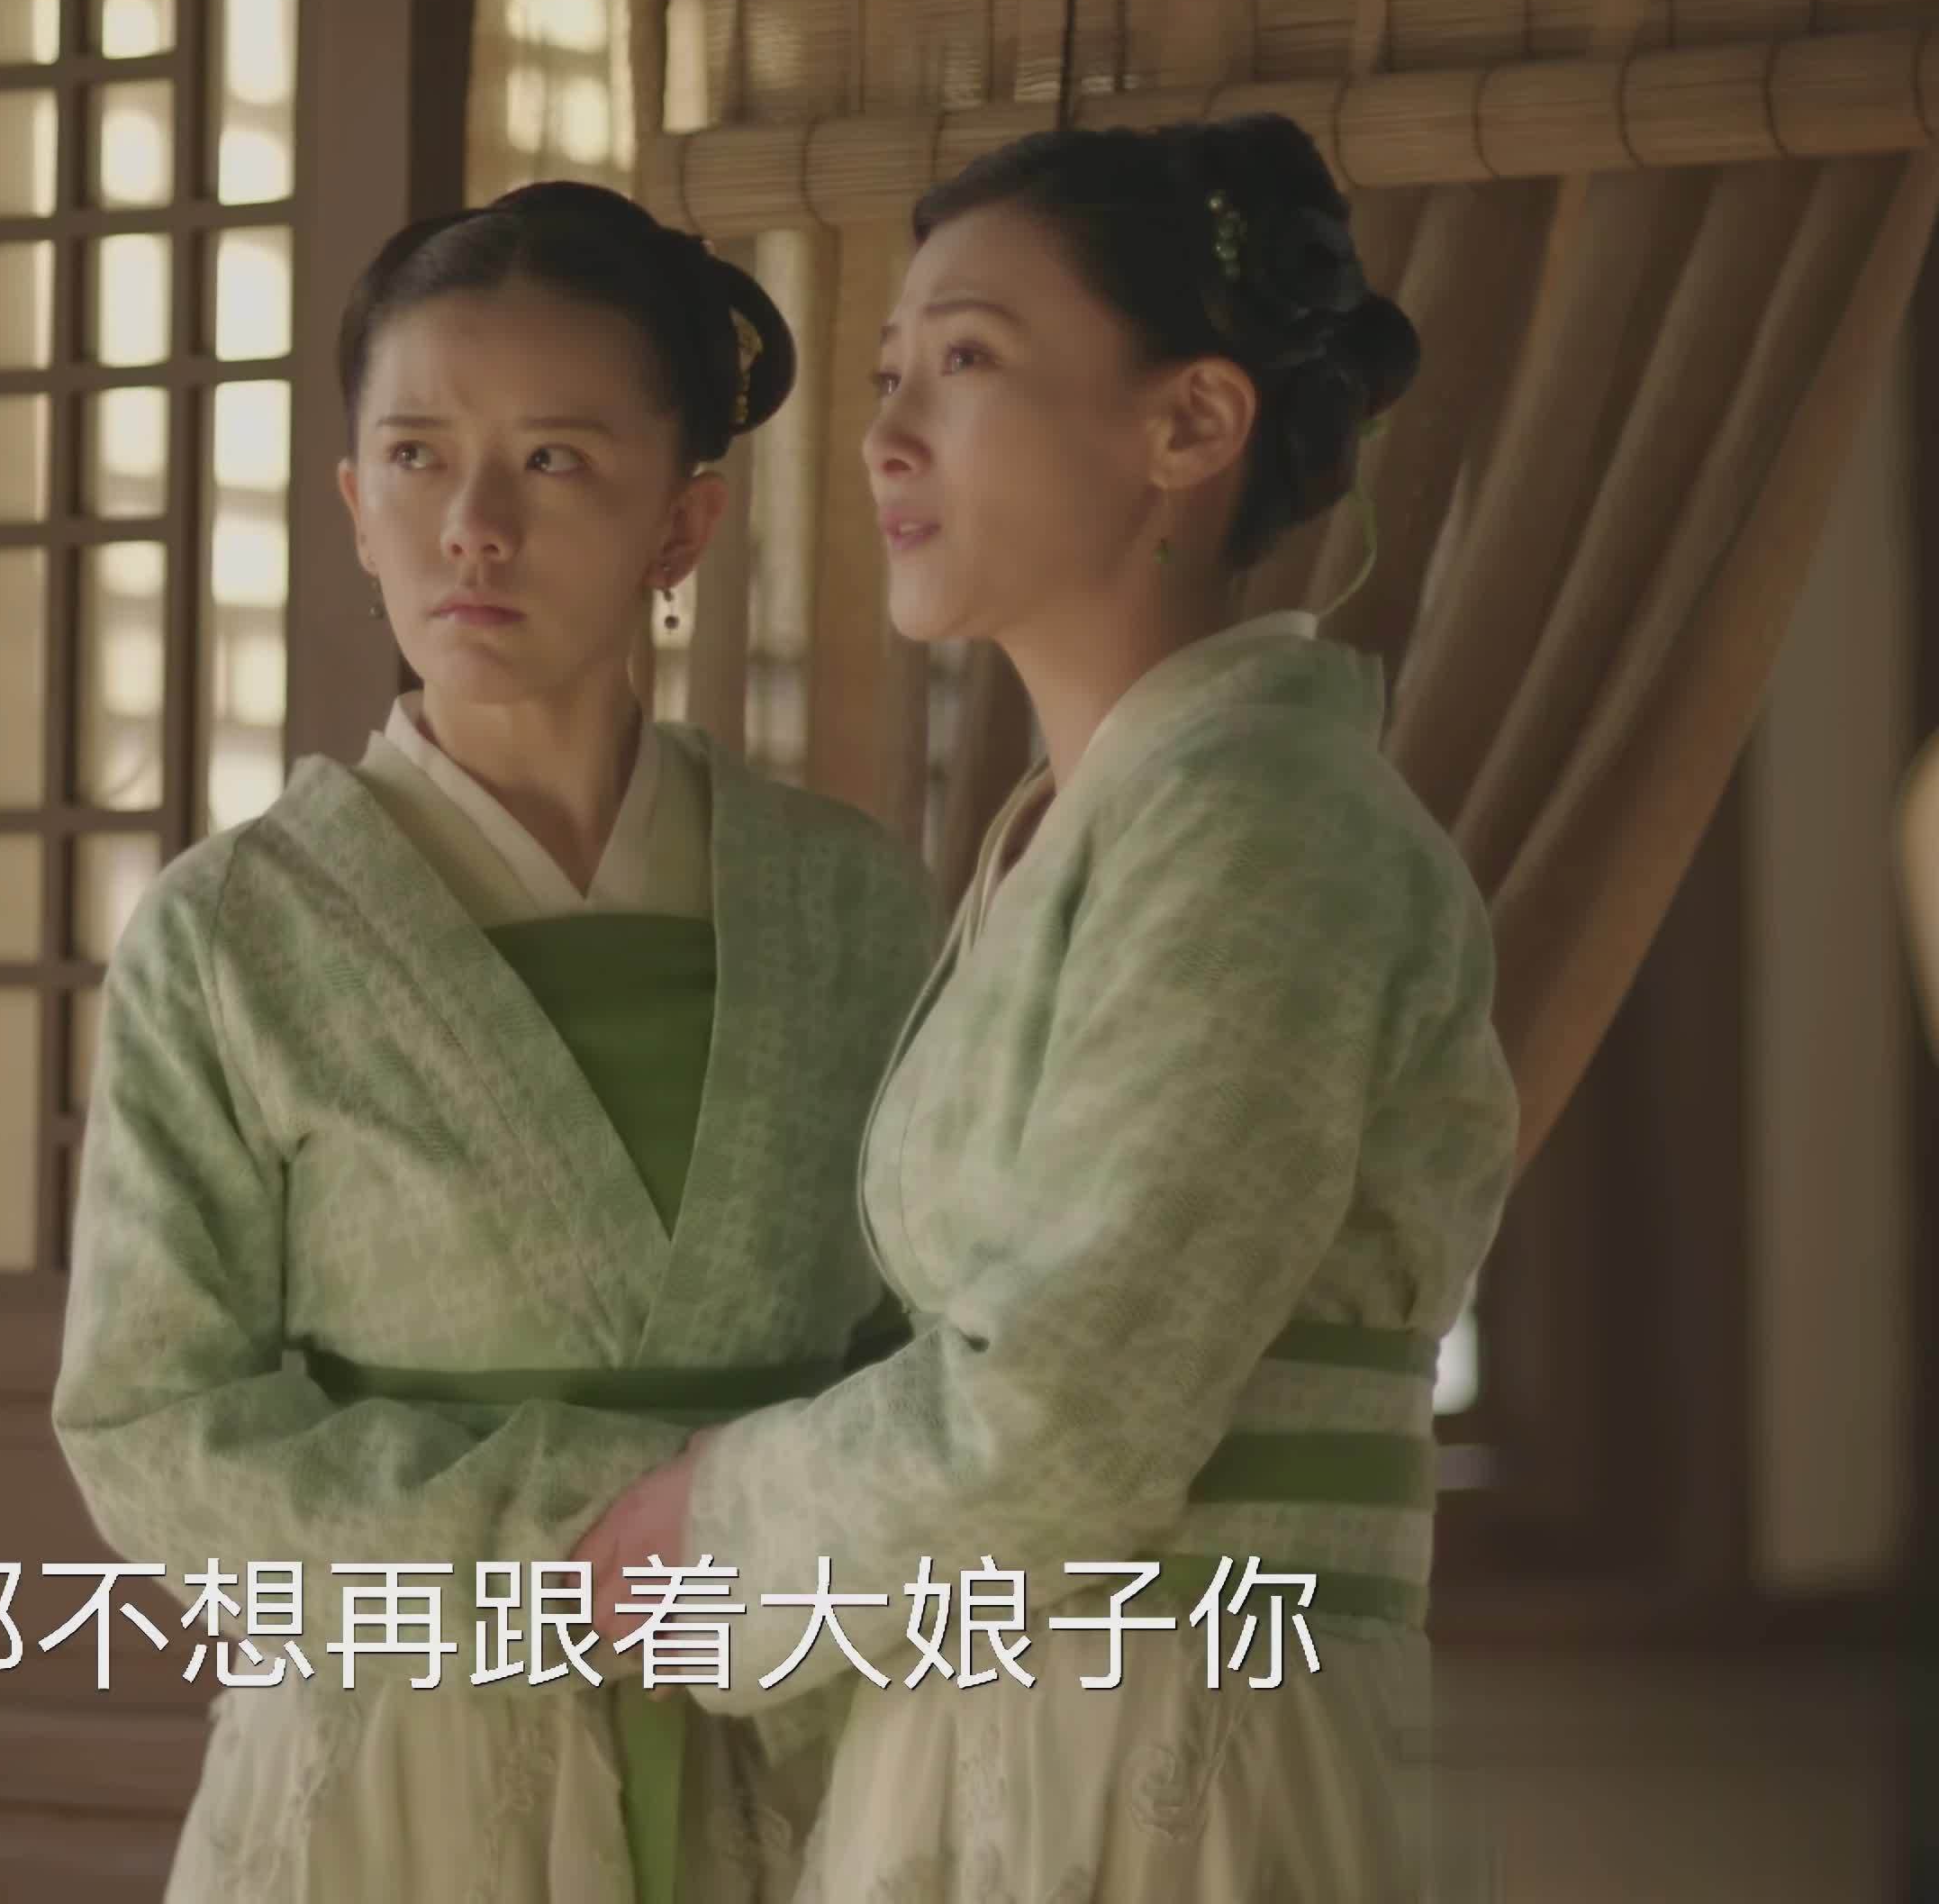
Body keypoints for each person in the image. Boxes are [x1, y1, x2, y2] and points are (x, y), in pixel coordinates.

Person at [570, 117, 1521, 1899]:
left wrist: (717, 1524)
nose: (886, 435)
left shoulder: (1264, 829)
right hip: (1006, 1717)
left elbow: (1074, 1402)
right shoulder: (1085, 828)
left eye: (966, 362)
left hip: (1175, 1743)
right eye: (886, 373)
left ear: (1192, 423)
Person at [51, 181, 938, 1904]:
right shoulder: (234, 930)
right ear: (352, 503)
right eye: (415, 456)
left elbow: (938, 1347)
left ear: (683, 523)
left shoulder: (854, 907)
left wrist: (771, 1548)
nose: (473, 526)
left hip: (796, 1735)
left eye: (553, 460)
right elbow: (152, 1427)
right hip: (395, 1763)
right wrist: (637, 1528)